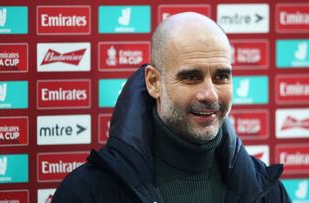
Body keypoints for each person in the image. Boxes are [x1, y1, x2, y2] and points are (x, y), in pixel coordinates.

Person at [52, 12, 291, 203]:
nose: (210, 94)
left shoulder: (267, 192)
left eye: (221, 77)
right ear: (154, 82)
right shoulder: (88, 192)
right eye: (191, 77)